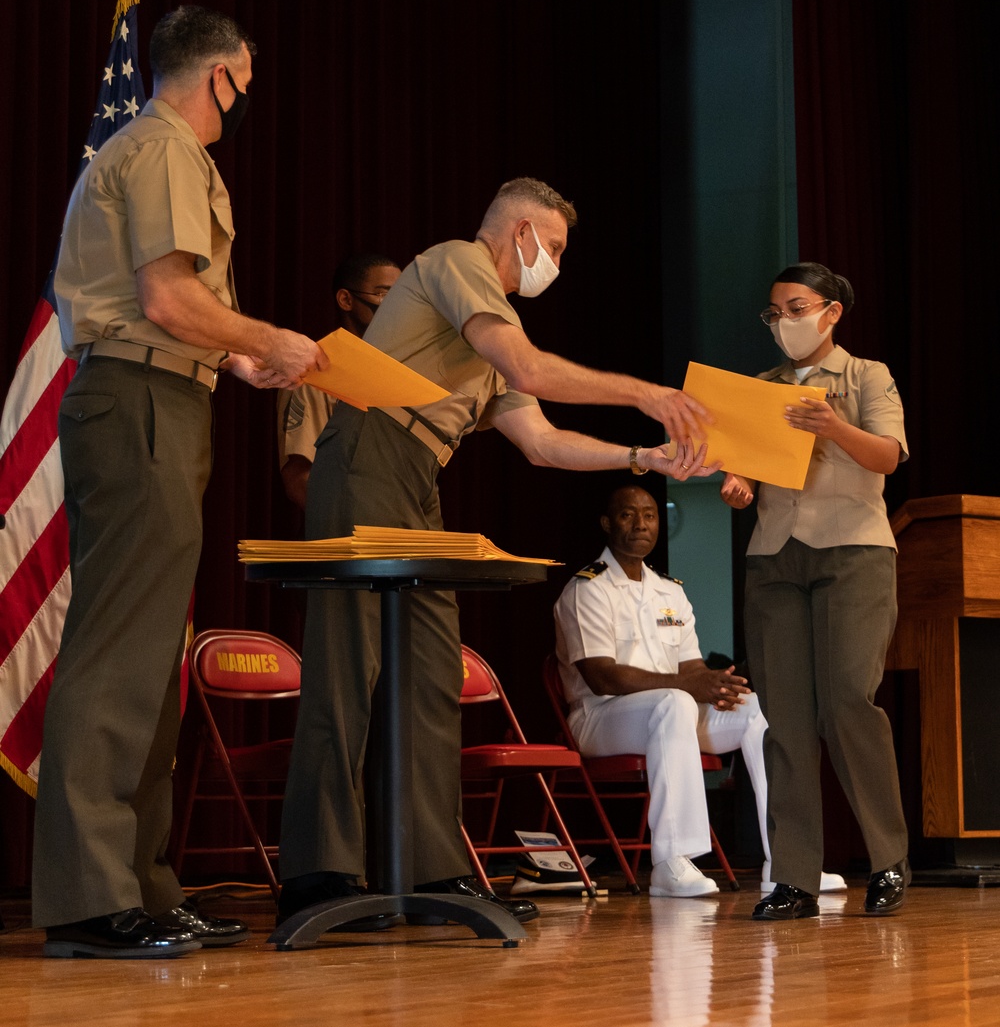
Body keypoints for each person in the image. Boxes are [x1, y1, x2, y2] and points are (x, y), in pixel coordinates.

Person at [278, 176, 712, 926]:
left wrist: (643, 456)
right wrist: (648, 393)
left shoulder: (488, 329)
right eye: (554, 246)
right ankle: (320, 869)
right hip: (367, 450)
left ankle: (430, 867)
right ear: (518, 232)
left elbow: (540, 442)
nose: (556, 263)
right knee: (350, 663)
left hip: (420, 473)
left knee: (429, 669)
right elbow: (533, 369)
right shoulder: (458, 262)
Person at [33, 5, 326, 959]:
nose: (248, 97)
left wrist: (239, 360)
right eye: (247, 79)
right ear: (223, 74)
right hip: (137, 402)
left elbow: (172, 309)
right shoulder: (160, 147)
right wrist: (265, 339)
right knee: (121, 647)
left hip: (167, 397)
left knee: (154, 650)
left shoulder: (168, 154)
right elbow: (166, 298)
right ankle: (88, 897)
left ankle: (143, 883)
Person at [721, 262, 909, 920]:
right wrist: (738, 483)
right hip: (775, 555)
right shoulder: (762, 386)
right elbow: (743, 467)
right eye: (774, 312)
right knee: (786, 722)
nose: (783, 322)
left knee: (848, 703)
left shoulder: (866, 376)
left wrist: (834, 427)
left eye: (795, 308)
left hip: (853, 549)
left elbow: (887, 455)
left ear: (831, 312)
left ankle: (887, 857)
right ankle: (794, 876)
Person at [554, 483, 847, 898]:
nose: (641, 524)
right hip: (600, 717)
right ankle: (671, 862)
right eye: (627, 515)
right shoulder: (587, 589)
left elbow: (690, 667)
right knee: (674, 702)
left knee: (752, 709)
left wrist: (716, 686)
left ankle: (787, 861)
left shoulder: (669, 590)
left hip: (666, 714)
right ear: (607, 523)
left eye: (650, 515)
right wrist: (689, 686)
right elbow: (603, 677)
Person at [277, 253, 400, 510]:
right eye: (384, 295)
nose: (396, 307)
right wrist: (350, 524)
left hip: (398, 530)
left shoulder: (398, 372)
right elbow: (298, 477)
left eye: (402, 297)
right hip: (349, 537)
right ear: (346, 299)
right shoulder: (315, 372)